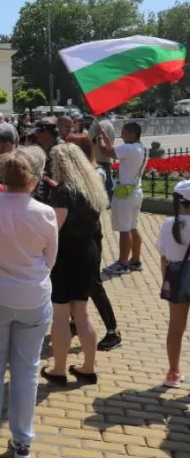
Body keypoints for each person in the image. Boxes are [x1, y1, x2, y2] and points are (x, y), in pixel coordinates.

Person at [0, 148, 57, 458]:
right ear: (32, 180)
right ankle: (22, 441)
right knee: (26, 369)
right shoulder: (45, 212)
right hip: (32, 296)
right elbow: (50, 259)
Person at [41, 143, 107, 387]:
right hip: (87, 251)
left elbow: (54, 228)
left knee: (60, 314)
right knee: (82, 311)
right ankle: (88, 367)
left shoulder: (63, 191)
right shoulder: (91, 187)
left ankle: (59, 369)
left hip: (66, 254)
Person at [66, 133, 122, 350]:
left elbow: (91, 201)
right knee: (73, 280)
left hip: (89, 234)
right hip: (74, 234)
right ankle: (74, 322)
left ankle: (112, 330)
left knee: (93, 283)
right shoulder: (74, 173)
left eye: (71, 148)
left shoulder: (95, 172)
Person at [98, 122, 146, 275]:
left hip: (125, 195)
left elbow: (106, 152)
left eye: (124, 132)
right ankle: (135, 260)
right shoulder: (141, 148)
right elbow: (114, 150)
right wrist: (106, 138)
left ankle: (123, 263)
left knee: (124, 230)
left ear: (132, 134)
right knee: (133, 226)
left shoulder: (128, 148)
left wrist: (98, 140)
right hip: (136, 191)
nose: (121, 135)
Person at [157, 180, 190, 388]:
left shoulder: (170, 223)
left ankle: (173, 372)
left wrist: (165, 280)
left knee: (176, 328)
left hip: (177, 277)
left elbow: (164, 257)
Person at [88, 113, 116, 199]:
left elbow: (89, 141)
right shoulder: (109, 123)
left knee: (101, 183)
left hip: (97, 157)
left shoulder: (97, 124)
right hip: (106, 158)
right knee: (108, 182)